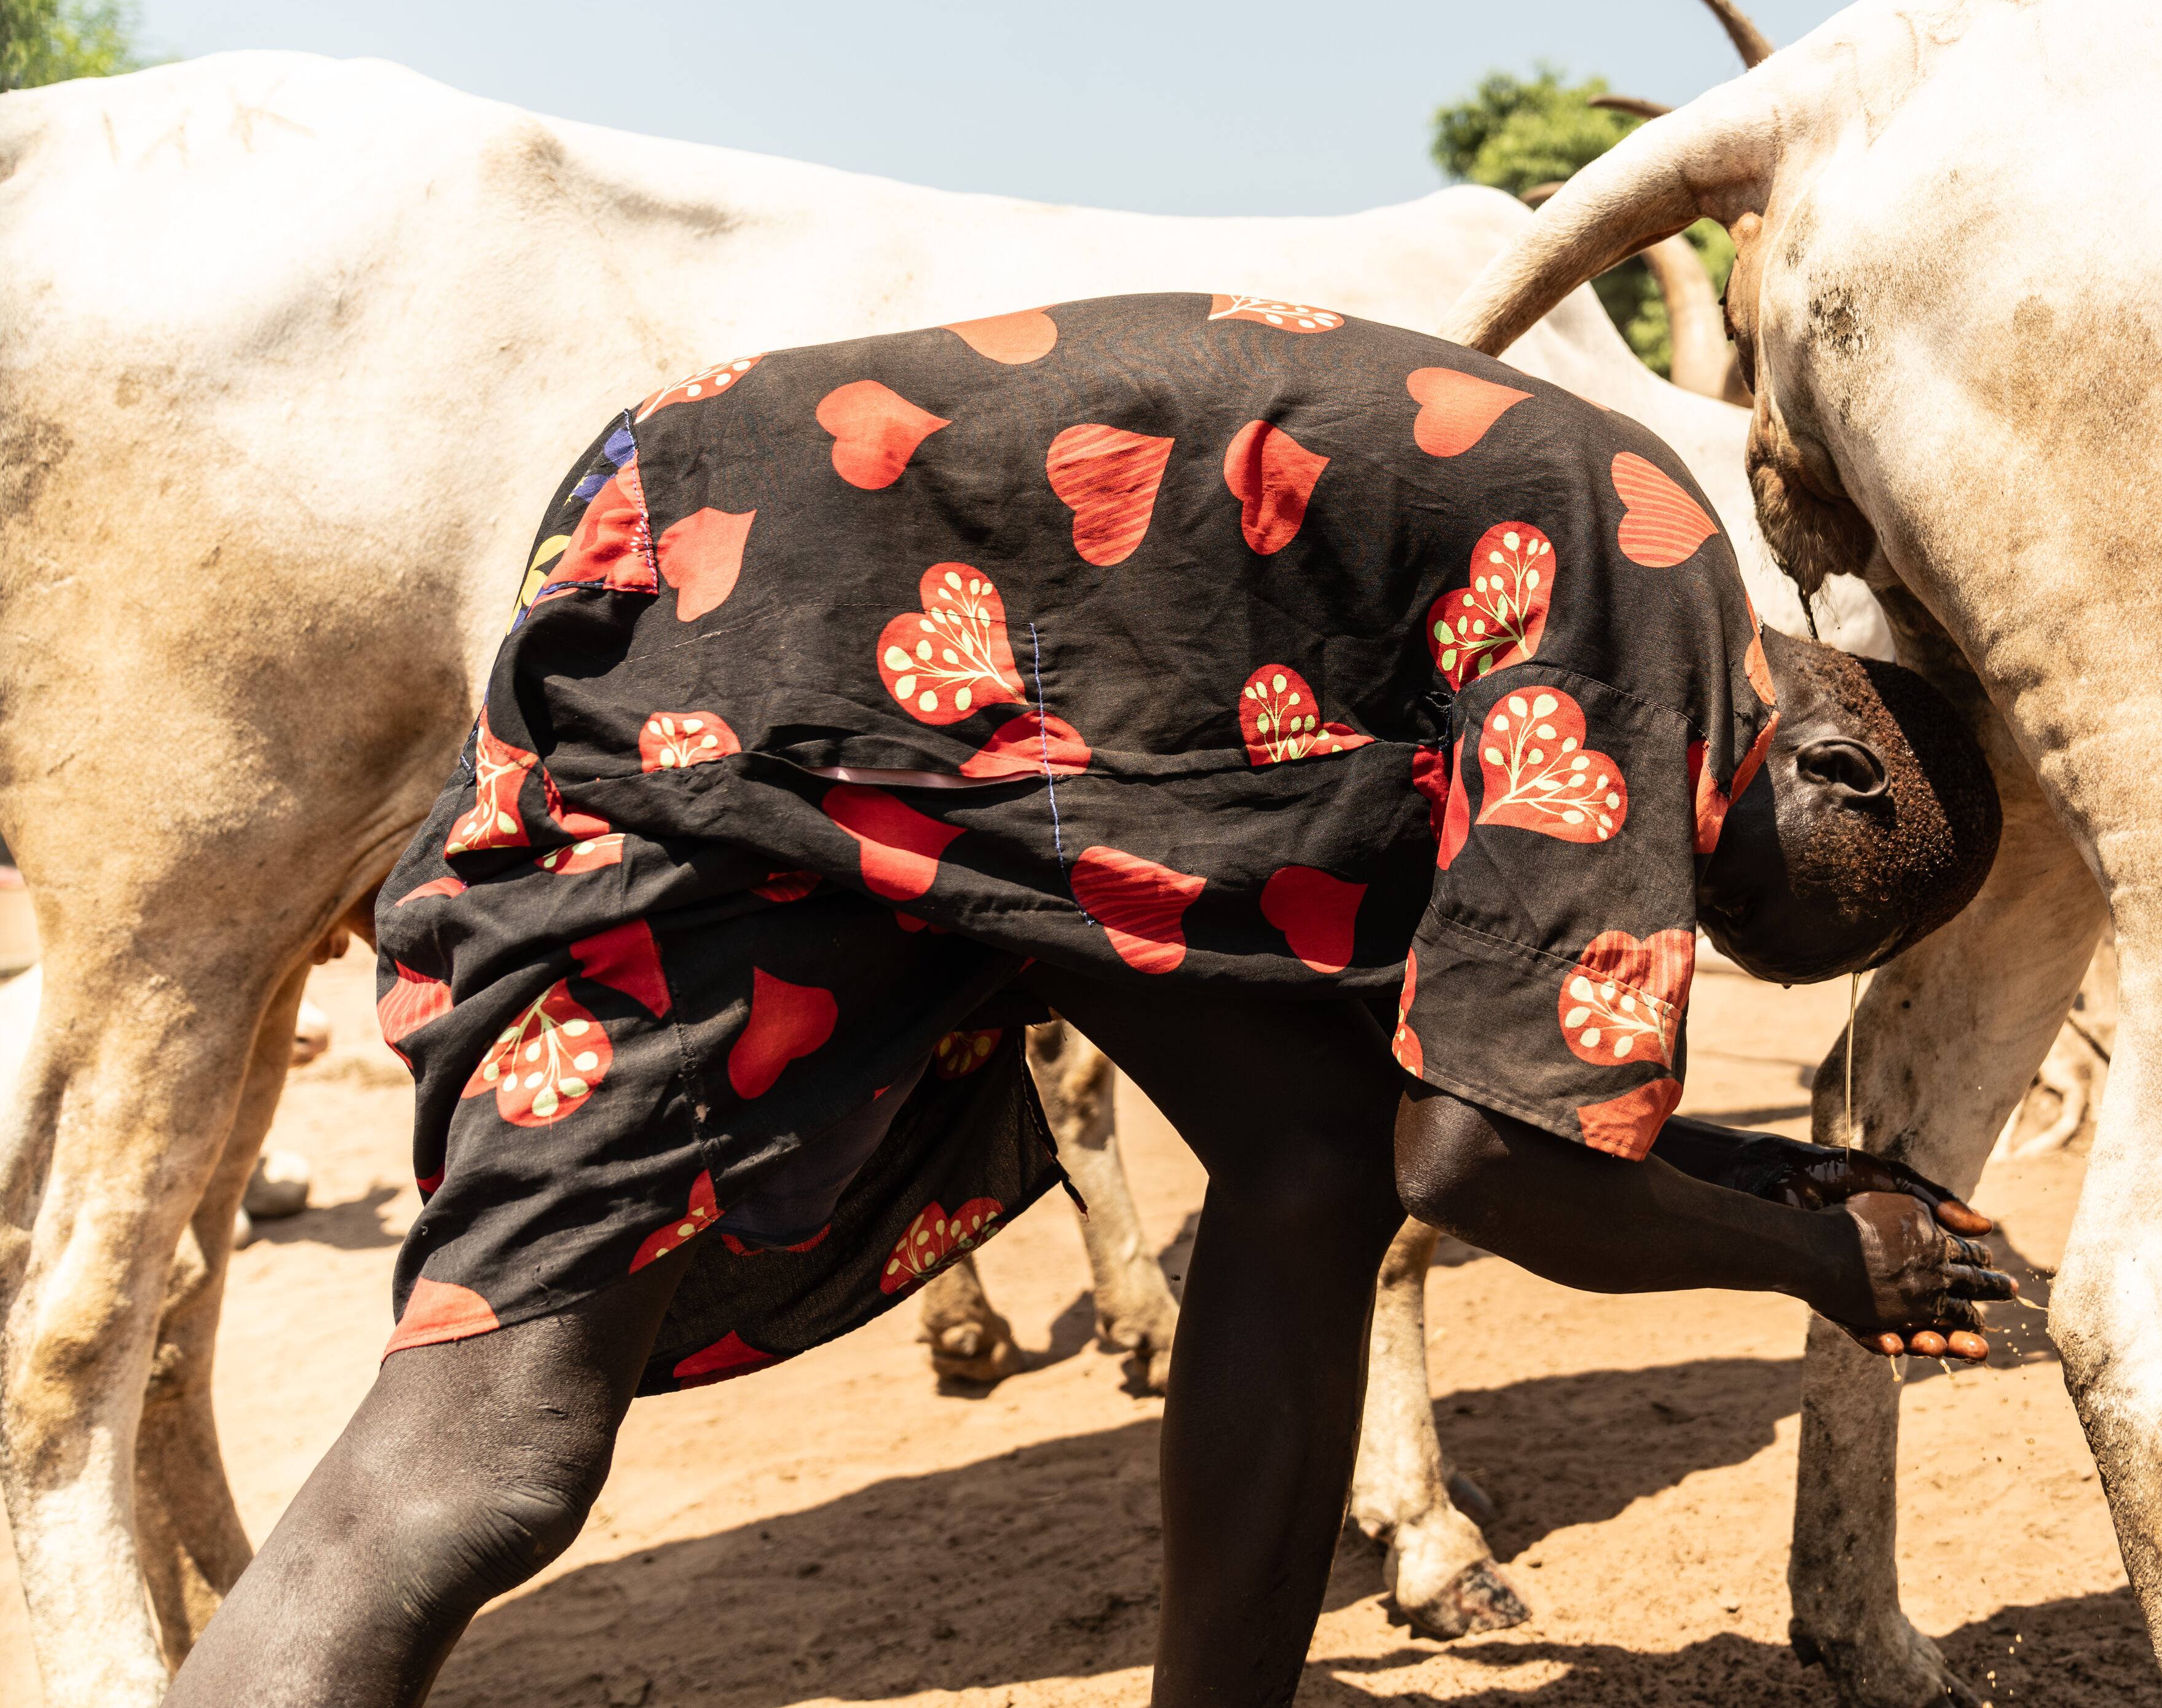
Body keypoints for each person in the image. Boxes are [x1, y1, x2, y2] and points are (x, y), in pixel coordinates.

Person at [172, 293, 2008, 1707]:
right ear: (1834, 765)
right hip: (757, 660)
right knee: (493, 1453)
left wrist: (1770, 1194)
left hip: (952, 713)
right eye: (1725, 895)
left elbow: (1428, 1103)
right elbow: (1485, 1158)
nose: (1672, 914)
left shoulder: (1610, 536)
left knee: (1303, 1158)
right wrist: (1819, 1267)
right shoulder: (1659, 608)